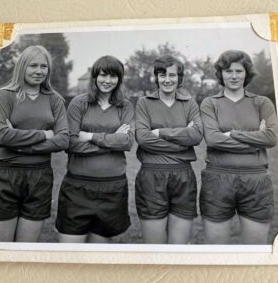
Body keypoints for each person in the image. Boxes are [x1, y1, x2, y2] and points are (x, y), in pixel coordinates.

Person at [0, 45, 69, 242]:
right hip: (5, 176)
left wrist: (20, 145)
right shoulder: (3, 96)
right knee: (0, 249)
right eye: (33, 66)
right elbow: (1, 135)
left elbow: (63, 139)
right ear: (22, 67)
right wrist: (44, 134)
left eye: (43, 66)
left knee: (25, 249)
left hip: (40, 177)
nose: (39, 71)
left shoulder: (55, 100)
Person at [200, 50, 277, 244]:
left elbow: (271, 137)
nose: (233, 76)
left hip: (256, 181)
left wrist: (233, 134)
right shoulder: (210, 103)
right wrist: (254, 142)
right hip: (217, 180)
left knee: (255, 250)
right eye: (228, 71)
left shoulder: (263, 103)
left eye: (239, 71)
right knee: (216, 252)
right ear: (221, 74)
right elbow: (213, 139)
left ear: (247, 73)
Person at [56, 55, 134, 243]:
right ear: (94, 76)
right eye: (103, 75)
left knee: (99, 257)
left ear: (119, 79)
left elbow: (128, 142)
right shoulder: (78, 103)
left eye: (113, 76)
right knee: (69, 257)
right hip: (77, 188)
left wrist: (91, 136)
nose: (108, 81)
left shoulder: (125, 106)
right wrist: (112, 141)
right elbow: (71, 143)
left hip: (113, 189)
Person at [135, 55, 203, 244]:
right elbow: (143, 138)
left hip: (183, 177)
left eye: (172, 75)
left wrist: (159, 132)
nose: (167, 79)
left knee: (178, 248)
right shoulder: (144, 103)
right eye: (162, 74)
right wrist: (183, 139)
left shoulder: (189, 103)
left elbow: (197, 136)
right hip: (151, 176)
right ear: (156, 77)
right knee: (154, 249)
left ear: (179, 77)